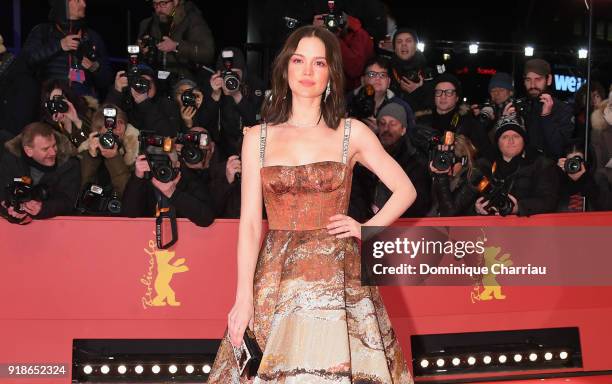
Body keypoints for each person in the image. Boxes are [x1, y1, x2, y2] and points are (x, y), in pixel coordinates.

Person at [207, 26, 416, 383]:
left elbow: (405, 190)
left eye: (318, 62)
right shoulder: (257, 139)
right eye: (298, 60)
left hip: (339, 277)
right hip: (277, 275)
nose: (307, 71)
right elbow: (251, 225)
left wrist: (367, 228)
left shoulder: (352, 133)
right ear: (285, 68)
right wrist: (243, 297)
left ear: (331, 74)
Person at [350, 102, 430, 221]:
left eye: (393, 124)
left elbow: (419, 203)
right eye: (382, 123)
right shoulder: (364, 155)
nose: (387, 129)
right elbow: (357, 195)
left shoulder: (415, 160)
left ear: (403, 129)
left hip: (402, 227)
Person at [21, 0, 112, 97]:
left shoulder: (92, 37)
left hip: (82, 105)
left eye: (84, 1)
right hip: (48, 101)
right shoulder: (43, 31)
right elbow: (25, 61)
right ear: (62, 4)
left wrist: (94, 67)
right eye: (78, 0)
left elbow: (107, 81)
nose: (84, 4)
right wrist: (60, 45)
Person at [475, 115, 559, 217]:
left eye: (516, 136)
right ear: (497, 142)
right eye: (505, 137)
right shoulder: (484, 166)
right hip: (490, 227)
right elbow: (464, 201)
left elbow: (549, 201)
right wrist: (478, 206)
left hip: (528, 226)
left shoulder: (541, 164)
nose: (511, 141)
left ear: (523, 140)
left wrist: (519, 207)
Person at [0, 122, 80, 224]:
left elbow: (68, 201)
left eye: (54, 145)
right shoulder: (10, 159)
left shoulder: (69, 163)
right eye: (45, 149)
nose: (53, 152)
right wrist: (10, 210)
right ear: (29, 151)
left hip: (57, 227)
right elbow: (3, 193)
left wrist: (42, 208)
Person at [505, 58, 574, 159]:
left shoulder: (563, 110)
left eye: (538, 79)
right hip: (521, 171)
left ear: (549, 79)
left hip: (550, 171)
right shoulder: (519, 107)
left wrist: (546, 117)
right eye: (528, 80)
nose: (532, 85)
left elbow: (559, 150)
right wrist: (506, 123)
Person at [138, 0, 215, 78]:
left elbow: (208, 52)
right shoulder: (147, 24)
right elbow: (137, 56)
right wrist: (141, 50)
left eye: (163, 3)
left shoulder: (192, 20)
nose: (158, 8)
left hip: (186, 79)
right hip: (155, 79)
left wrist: (176, 46)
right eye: (155, 4)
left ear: (175, 2)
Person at [346, 56, 415, 132]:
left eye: (383, 75)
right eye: (372, 74)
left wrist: (383, 133)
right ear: (363, 80)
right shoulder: (348, 101)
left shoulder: (401, 107)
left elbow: (411, 138)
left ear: (388, 82)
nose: (378, 78)